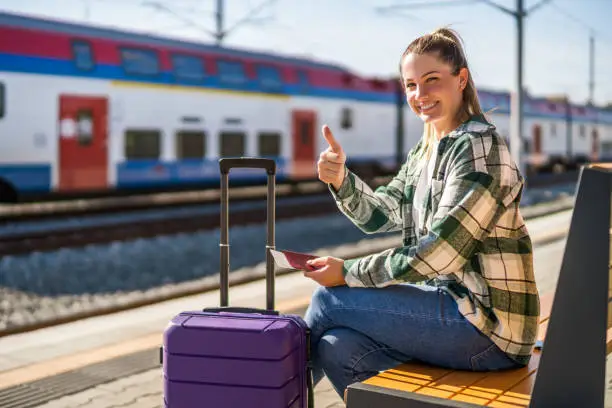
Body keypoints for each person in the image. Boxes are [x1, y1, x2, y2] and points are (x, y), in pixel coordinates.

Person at [302, 27, 540, 399]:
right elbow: (379, 215)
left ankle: (270, 397)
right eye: (411, 85)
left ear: (461, 79)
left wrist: (348, 272)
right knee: (337, 345)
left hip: (490, 328)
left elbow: (442, 251)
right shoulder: (427, 150)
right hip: (457, 313)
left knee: (328, 301)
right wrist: (342, 180)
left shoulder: (479, 148)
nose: (420, 95)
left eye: (432, 81)